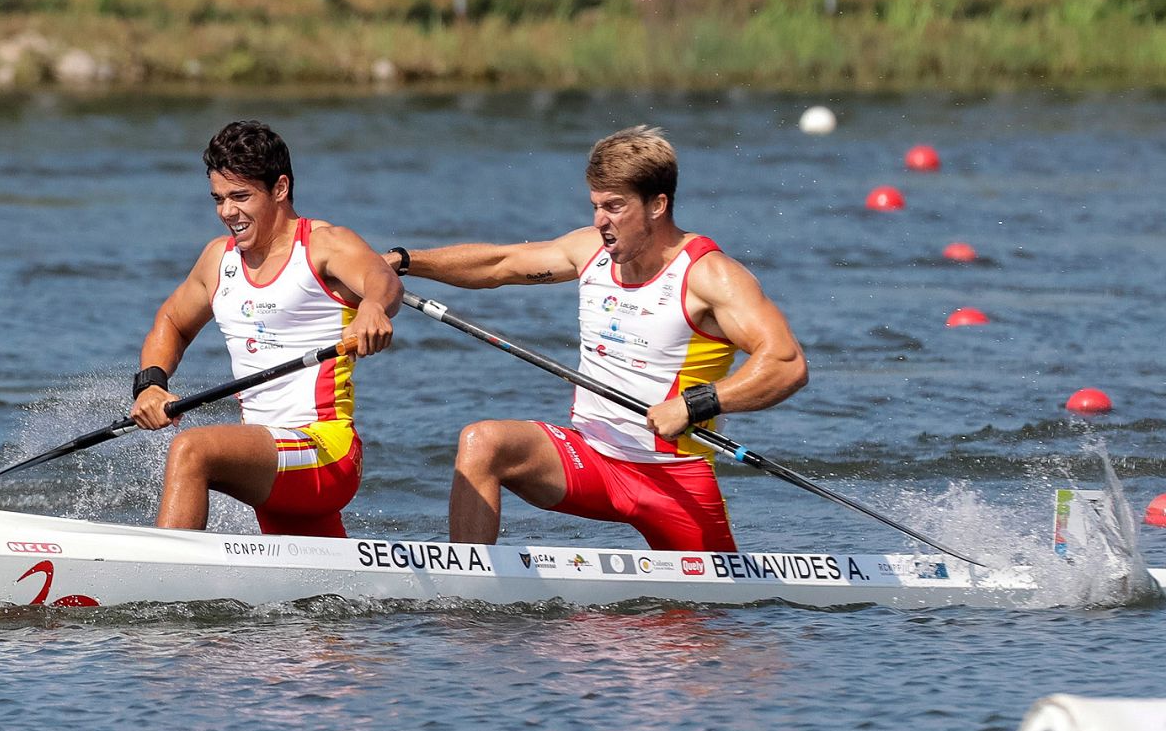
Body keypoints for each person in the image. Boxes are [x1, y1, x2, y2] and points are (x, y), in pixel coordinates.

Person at [386, 125, 806, 551]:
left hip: (673, 478)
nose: (600, 221)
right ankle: (467, 587)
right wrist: (403, 262)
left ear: (658, 205)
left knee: (701, 617)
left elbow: (785, 364)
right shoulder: (590, 251)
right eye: (596, 205)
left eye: (615, 206)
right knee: (483, 442)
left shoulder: (710, 276)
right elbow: (500, 264)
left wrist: (693, 404)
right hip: (592, 460)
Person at [130, 120, 400, 537]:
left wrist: (372, 308)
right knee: (322, 592)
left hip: (325, 451)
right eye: (218, 199)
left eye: (241, 196)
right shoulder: (217, 260)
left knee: (192, 450)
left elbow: (382, 278)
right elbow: (172, 322)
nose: (227, 212)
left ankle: (154, 582)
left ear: (280, 188)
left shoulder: (325, 245)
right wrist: (150, 384)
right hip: (269, 454)